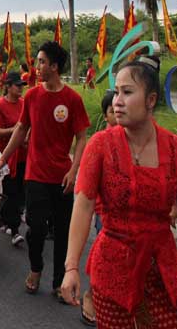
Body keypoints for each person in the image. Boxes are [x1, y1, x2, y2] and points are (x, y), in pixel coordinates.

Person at [61, 55, 177, 328]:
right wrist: (71, 267)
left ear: (151, 100)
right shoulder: (100, 145)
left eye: (127, 92)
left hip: (162, 267)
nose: (117, 101)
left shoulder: (176, 149)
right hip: (112, 268)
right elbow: (83, 206)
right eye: (116, 92)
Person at [0, 41, 89, 299]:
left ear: (54, 66)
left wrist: (74, 171)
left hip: (62, 177)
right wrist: (3, 159)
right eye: (37, 61)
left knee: (62, 232)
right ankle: (36, 268)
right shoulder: (32, 97)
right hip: (36, 174)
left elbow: (82, 137)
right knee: (35, 228)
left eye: (41, 62)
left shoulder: (72, 99)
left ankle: (59, 282)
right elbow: (20, 129)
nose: (36, 67)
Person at [79, 89, 117, 325]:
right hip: (105, 211)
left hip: (131, 215)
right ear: (106, 115)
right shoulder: (99, 143)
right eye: (112, 110)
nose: (119, 112)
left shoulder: (142, 139)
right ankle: (91, 294)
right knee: (104, 256)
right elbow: (86, 192)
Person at [0, 72, 28, 247]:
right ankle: (14, 230)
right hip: (5, 155)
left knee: (19, 190)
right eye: (17, 85)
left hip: (22, 154)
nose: (20, 88)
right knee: (10, 190)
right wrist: (14, 131)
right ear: (8, 86)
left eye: (22, 85)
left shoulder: (23, 104)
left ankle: (6, 218)